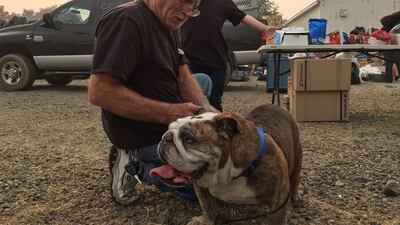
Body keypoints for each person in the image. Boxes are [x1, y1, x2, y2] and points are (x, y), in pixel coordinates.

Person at [88, 0, 216, 206]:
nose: (187, 11)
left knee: (202, 81)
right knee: (207, 186)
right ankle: (133, 160)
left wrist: (210, 114)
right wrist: (168, 113)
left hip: (167, 107)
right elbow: (100, 92)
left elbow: (182, 75)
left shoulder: (169, 23)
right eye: (185, 1)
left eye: (193, 6)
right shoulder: (126, 21)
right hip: (140, 130)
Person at [180, 0, 280, 111]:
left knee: (214, 102)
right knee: (191, 104)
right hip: (189, 61)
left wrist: (265, 28)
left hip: (215, 62)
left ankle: (216, 127)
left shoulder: (222, 2)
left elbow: (243, 17)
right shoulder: (186, 2)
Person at [381, 11, 400, 82]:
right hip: (391, 43)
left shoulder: (392, 21)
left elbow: (382, 20)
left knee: (390, 62)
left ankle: (388, 79)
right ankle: (388, 79)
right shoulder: (394, 21)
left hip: (387, 43)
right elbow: (382, 20)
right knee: (397, 61)